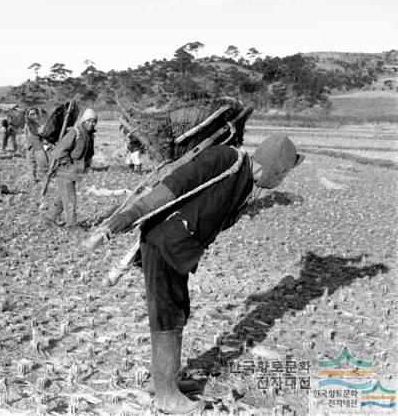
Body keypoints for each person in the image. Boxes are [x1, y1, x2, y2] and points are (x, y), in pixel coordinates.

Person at [98, 135, 304, 414]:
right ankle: (166, 395)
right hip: (165, 243)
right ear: (276, 169)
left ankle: (165, 383)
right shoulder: (225, 159)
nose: (282, 182)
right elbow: (176, 184)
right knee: (167, 314)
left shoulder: (244, 184)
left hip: (179, 249)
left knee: (176, 311)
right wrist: (134, 211)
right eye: (284, 175)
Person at [45, 108, 97, 229]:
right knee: (70, 199)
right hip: (65, 171)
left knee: (63, 197)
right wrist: (69, 166)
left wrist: (86, 165)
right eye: (89, 121)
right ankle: (71, 225)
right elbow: (59, 152)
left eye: (94, 121)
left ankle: (49, 218)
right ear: (84, 121)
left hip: (74, 172)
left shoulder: (89, 136)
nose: (92, 124)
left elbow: (89, 154)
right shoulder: (75, 133)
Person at [24, 107, 49, 182]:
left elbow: (45, 135)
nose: (31, 116)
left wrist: (46, 145)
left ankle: (44, 182)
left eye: (33, 114)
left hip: (39, 147)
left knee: (43, 166)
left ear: (37, 115)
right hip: (30, 147)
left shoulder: (41, 124)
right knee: (31, 166)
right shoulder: (27, 124)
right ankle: (33, 181)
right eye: (30, 114)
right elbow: (26, 135)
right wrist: (26, 145)